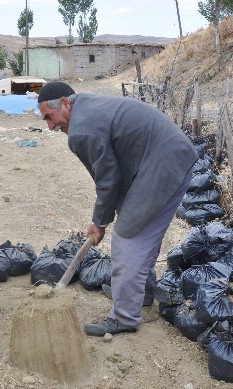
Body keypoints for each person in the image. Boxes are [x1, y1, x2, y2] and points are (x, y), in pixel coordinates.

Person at [37, 81, 199, 336]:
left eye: (50, 116)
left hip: (163, 163)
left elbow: (107, 178)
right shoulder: (86, 107)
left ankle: (124, 316)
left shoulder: (81, 131)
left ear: (66, 103)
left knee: (128, 236)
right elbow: (113, 172)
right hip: (167, 157)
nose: (50, 126)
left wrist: (99, 221)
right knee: (138, 228)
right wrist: (110, 212)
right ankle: (139, 293)